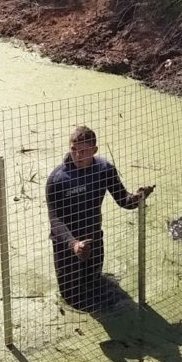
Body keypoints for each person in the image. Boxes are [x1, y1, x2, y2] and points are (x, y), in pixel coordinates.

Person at [46, 126, 154, 311]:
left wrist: (138, 198)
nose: (78, 155)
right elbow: (55, 220)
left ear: (94, 150)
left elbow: (123, 200)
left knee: (95, 283)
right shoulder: (57, 179)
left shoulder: (104, 169)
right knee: (73, 298)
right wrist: (74, 244)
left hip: (94, 238)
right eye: (74, 150)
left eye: (84, 151)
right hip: (67, 246)